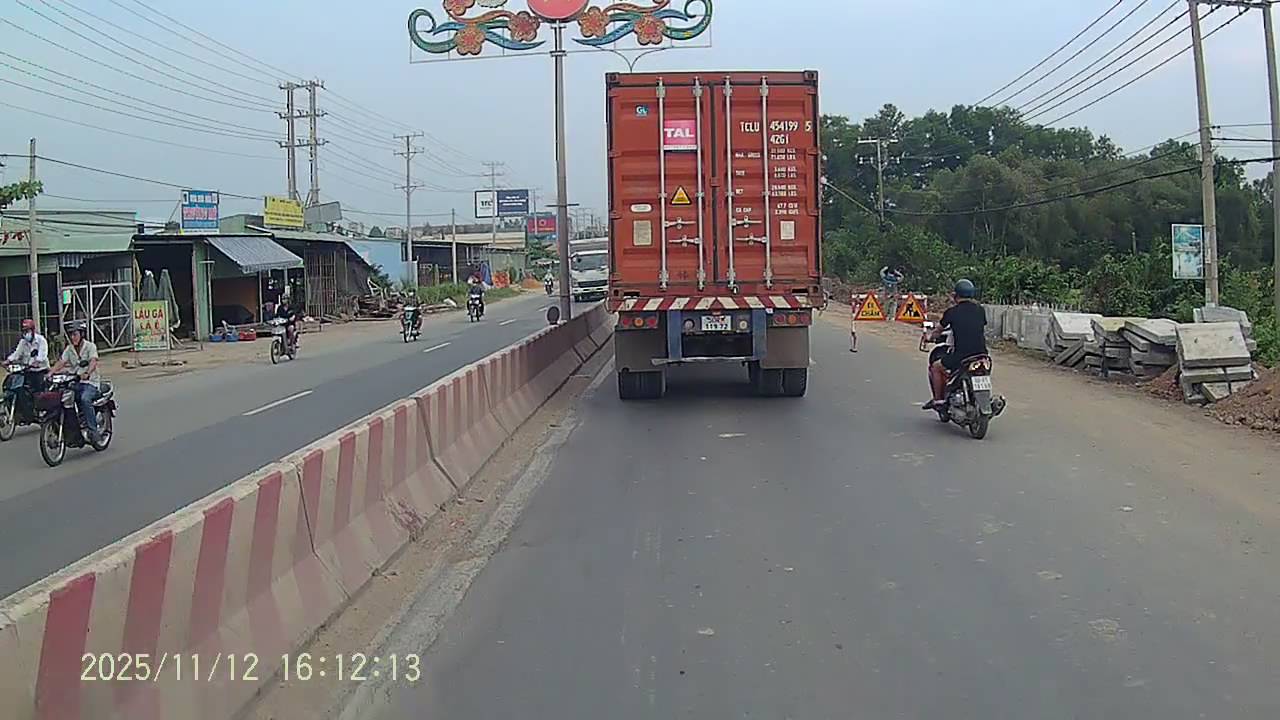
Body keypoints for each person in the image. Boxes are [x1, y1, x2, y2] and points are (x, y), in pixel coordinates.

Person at [923, 279, 987, 410]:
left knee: (936, 367)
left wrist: (929, 337)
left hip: (962, 356)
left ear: (955, 295)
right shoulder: (980, 310)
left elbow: (938, 331)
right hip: (982, 356)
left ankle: (938, 401)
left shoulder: (952, 312)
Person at [48, 321, 102, 443]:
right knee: (61, 396)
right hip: (75, 382)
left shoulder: (90, 346)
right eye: (71, 335)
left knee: (85, 399)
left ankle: (93, 431)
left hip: (90, 383)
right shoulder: (69, 349)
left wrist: (87, 373)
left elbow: (93, 361)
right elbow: (61, 362)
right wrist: (50, 373)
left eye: (75, 334)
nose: (73, 337)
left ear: (82, 334)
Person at [6, 319, 50, 391]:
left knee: (38, 390)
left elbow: (42, 355)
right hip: (27, 370)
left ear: (32, 330)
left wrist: (37, 362)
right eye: (24, 331)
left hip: (40, 370)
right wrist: (8, 360)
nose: (25, 333)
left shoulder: (41, 340)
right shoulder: (23, 342)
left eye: (27, 330)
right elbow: (17, 353)